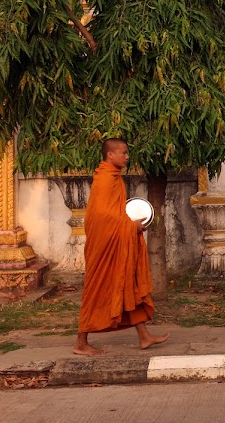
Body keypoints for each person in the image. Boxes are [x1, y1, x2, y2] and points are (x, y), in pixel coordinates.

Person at [73, 138, 169, 355]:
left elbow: (116, 212)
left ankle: (144, 337)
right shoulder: (105, 180)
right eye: (123, 153)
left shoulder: (114, 178)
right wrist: (129, 226)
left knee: (129, 285)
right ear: (110, 155)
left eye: (127, 153)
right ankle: (80, 342)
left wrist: (131, 226)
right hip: (104, 245)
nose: (127, 157)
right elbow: (100, 216)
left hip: (117, 241)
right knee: (96, 290)